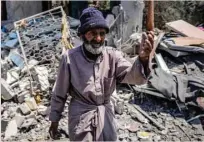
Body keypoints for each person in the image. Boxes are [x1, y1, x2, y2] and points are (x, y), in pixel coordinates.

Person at [49, 7, 154, 141]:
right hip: (81, 117)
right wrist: (54, 120)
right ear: (82, 35)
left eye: (102, 33)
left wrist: (143, 59)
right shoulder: (69, 58)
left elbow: (133, 76)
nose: (98, 38)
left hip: (106, 116)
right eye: (92, 33)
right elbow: (59, 93)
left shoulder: (113, 56)